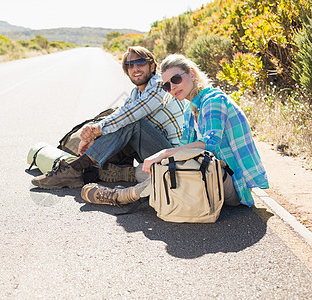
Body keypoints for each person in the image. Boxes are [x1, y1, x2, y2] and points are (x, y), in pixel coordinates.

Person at [82, 54, 269, 207]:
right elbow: (184, 148)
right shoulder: (190, 109)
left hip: (232, 183)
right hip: (210, 173)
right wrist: (161, 161)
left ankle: (121, 196)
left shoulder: (213, 100)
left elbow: (210, 145)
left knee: (177, 169)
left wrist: (164, 153)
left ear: (192, 74)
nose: (172, 88)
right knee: (155, 169)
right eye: (167, 85)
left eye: (176, 79)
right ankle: (134, 181)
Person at [31, 47, 186, 189]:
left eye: (140, 62)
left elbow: (129, 115)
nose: (135, 68)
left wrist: (96, 131)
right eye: (130, 65)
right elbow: (119, 116)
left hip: (175, 155)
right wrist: (92, 138)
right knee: (120, 121)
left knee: (132, 122)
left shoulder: (161, 84)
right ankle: (96, 170)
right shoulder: (134, 94)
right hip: (153, 153)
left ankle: (75, 170)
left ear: (152, 67)